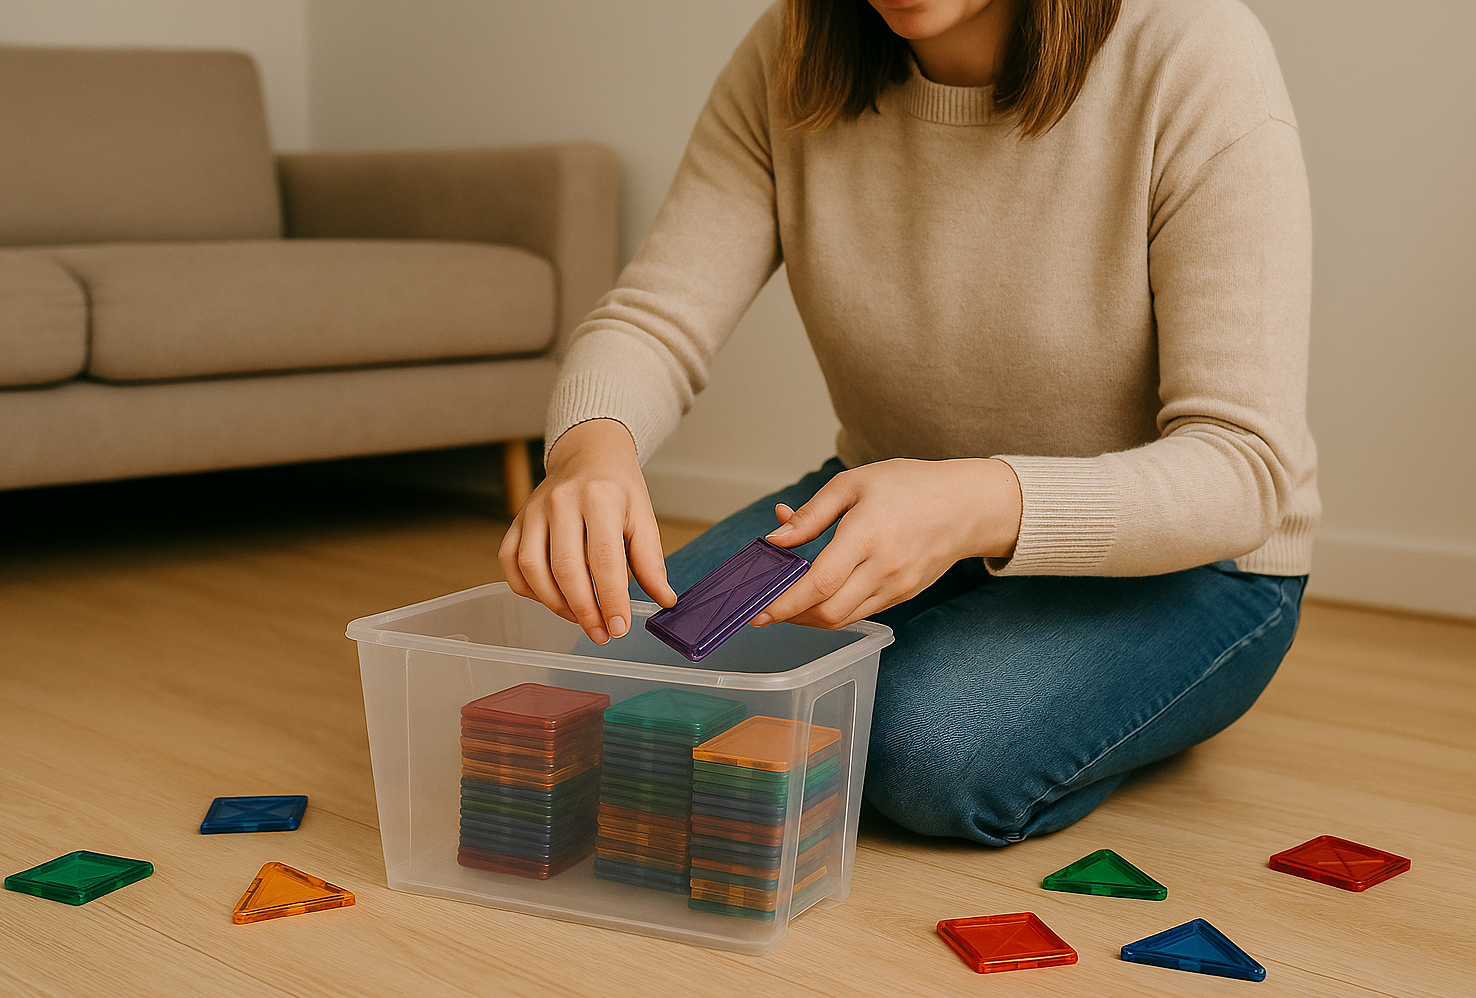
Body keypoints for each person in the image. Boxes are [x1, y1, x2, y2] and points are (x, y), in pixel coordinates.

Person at [500, 0, 1316, 846]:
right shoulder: (791, 48)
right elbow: (655, 317)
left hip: (1188, 563)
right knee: (617, 683)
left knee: (920, 749)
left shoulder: (1195, 51)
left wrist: (967, 504)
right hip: (884, 504)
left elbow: (1244, 466)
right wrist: (591, 451)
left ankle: (1125, 711)